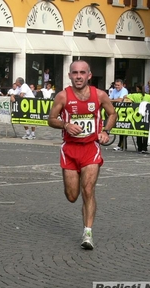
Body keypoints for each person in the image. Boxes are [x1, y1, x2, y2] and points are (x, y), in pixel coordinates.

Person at [48, 60, 117, 250]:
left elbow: (112, 114)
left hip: (90, 149)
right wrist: (65, 124)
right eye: (75, 73)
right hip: (70, 150)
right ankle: (81, 211)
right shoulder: (63, 96)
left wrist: (106, 131)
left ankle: (88, 232)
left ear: (89, 75)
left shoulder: (100, 95)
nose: (78, 76)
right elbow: (51, 119)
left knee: (88, 190)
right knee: (72, 196)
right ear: (69, 75)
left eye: (82, 73)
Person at [124, 84, 150, 154]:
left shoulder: (134, 95)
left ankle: (139, 147)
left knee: (138, 131)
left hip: (137, 115)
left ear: (137, 88)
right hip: (146, 116)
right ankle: (145, 148)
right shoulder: (148, 96)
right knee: (145, 132)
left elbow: (125, 96)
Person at [109, 79, 129, 151]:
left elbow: (120, 100)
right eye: (115, 85)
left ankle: (121, 145)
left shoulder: (124, 90)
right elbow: (110, 98)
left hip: (123, 112)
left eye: (118, 85)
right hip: (116, 111)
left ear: (122, 85)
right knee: (118, 128)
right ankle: (122, 145)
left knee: (122, 128)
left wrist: (111, 100)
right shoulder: (114, 90)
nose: (116, 87)